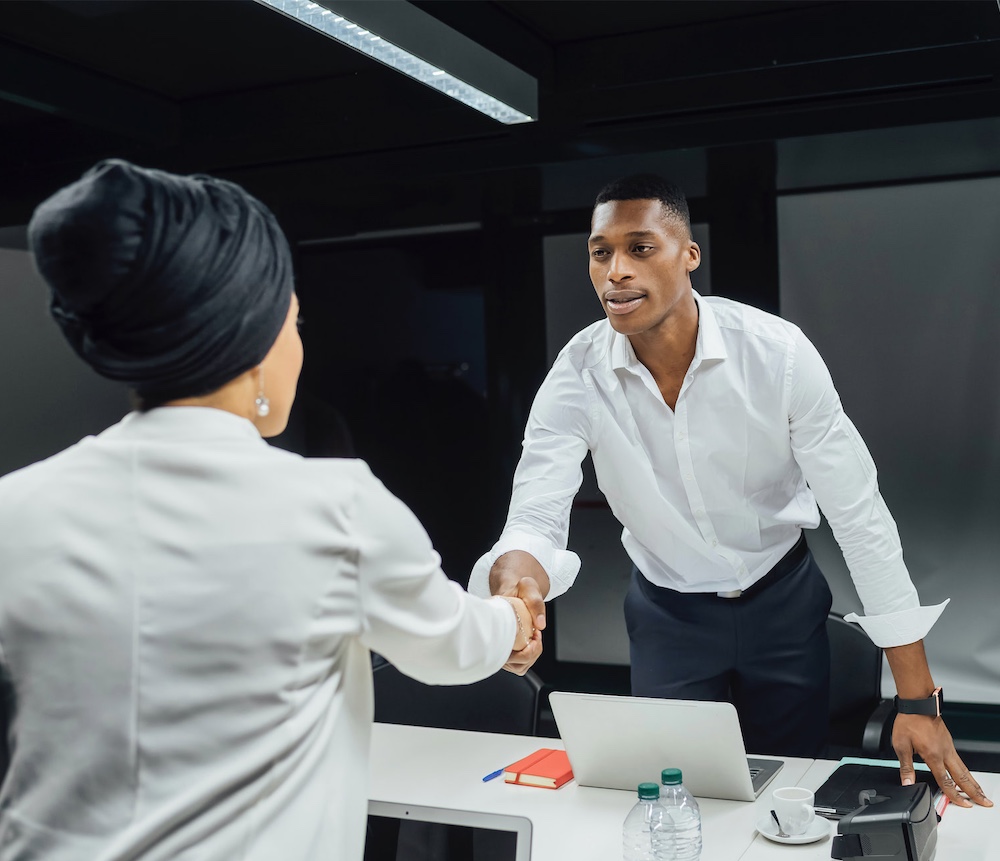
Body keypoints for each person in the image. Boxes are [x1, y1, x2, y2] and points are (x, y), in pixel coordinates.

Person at [0, 159, 536, 861]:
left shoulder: (16, 507)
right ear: (252, 338)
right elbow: (453, 646)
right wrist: (514, 619)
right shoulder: (333, 506)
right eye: (295, 320)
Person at [470, 173, 991, 809]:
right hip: (669, 616)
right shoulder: (576, 375)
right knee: (673, 801)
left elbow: (860, 520)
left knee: (791, 796)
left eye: (641, 248)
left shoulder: (778, 355)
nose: (615, 272)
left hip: (783, 599)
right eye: (600, 252)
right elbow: (535, 515)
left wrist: (917, 700)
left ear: (689, 255)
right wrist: (515, 591)